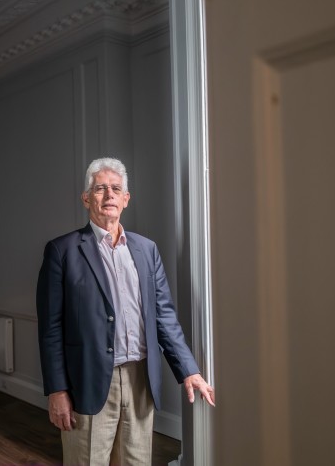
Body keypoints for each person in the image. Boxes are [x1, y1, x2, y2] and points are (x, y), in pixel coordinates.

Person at [36, 157, 215, 465]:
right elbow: (51, 327)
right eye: (101, 188)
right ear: (86, 197)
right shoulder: (62, 251)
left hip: (141, 379)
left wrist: (189, 370)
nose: (109, 196)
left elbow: (164, 316)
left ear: (126, 199)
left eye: (116, 189)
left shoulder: (147, 250)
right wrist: (57, 390)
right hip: (88, 380)